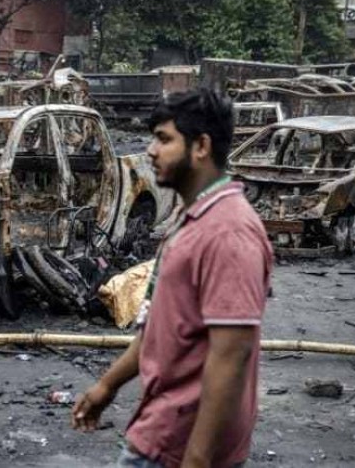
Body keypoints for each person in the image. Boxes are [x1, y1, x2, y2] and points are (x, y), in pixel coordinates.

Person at [71, 89, 273, 468]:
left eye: (164, 139)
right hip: (159, 431)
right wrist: (107, 386)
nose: (150, 150)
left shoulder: (228, 232)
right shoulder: (190, 220)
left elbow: (231, 355)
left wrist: (197, 460)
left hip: (179, 448)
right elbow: (158, 329)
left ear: (201, 146)